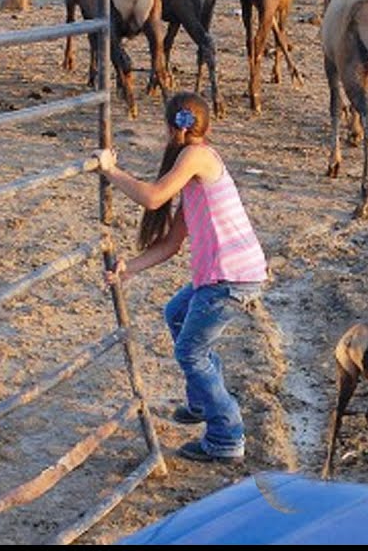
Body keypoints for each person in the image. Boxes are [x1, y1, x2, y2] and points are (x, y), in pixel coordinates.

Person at [93, 91, 268, 464]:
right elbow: (172, 243)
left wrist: (110, 170)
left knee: (190, 351)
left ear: (173, 127)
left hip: (230, 277)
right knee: (176, 313)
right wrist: (131, 268)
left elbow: (153, 198)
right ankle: (202, 402)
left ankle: (226, 437)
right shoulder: (192, 175)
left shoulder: (197, 156)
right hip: (223, 275)